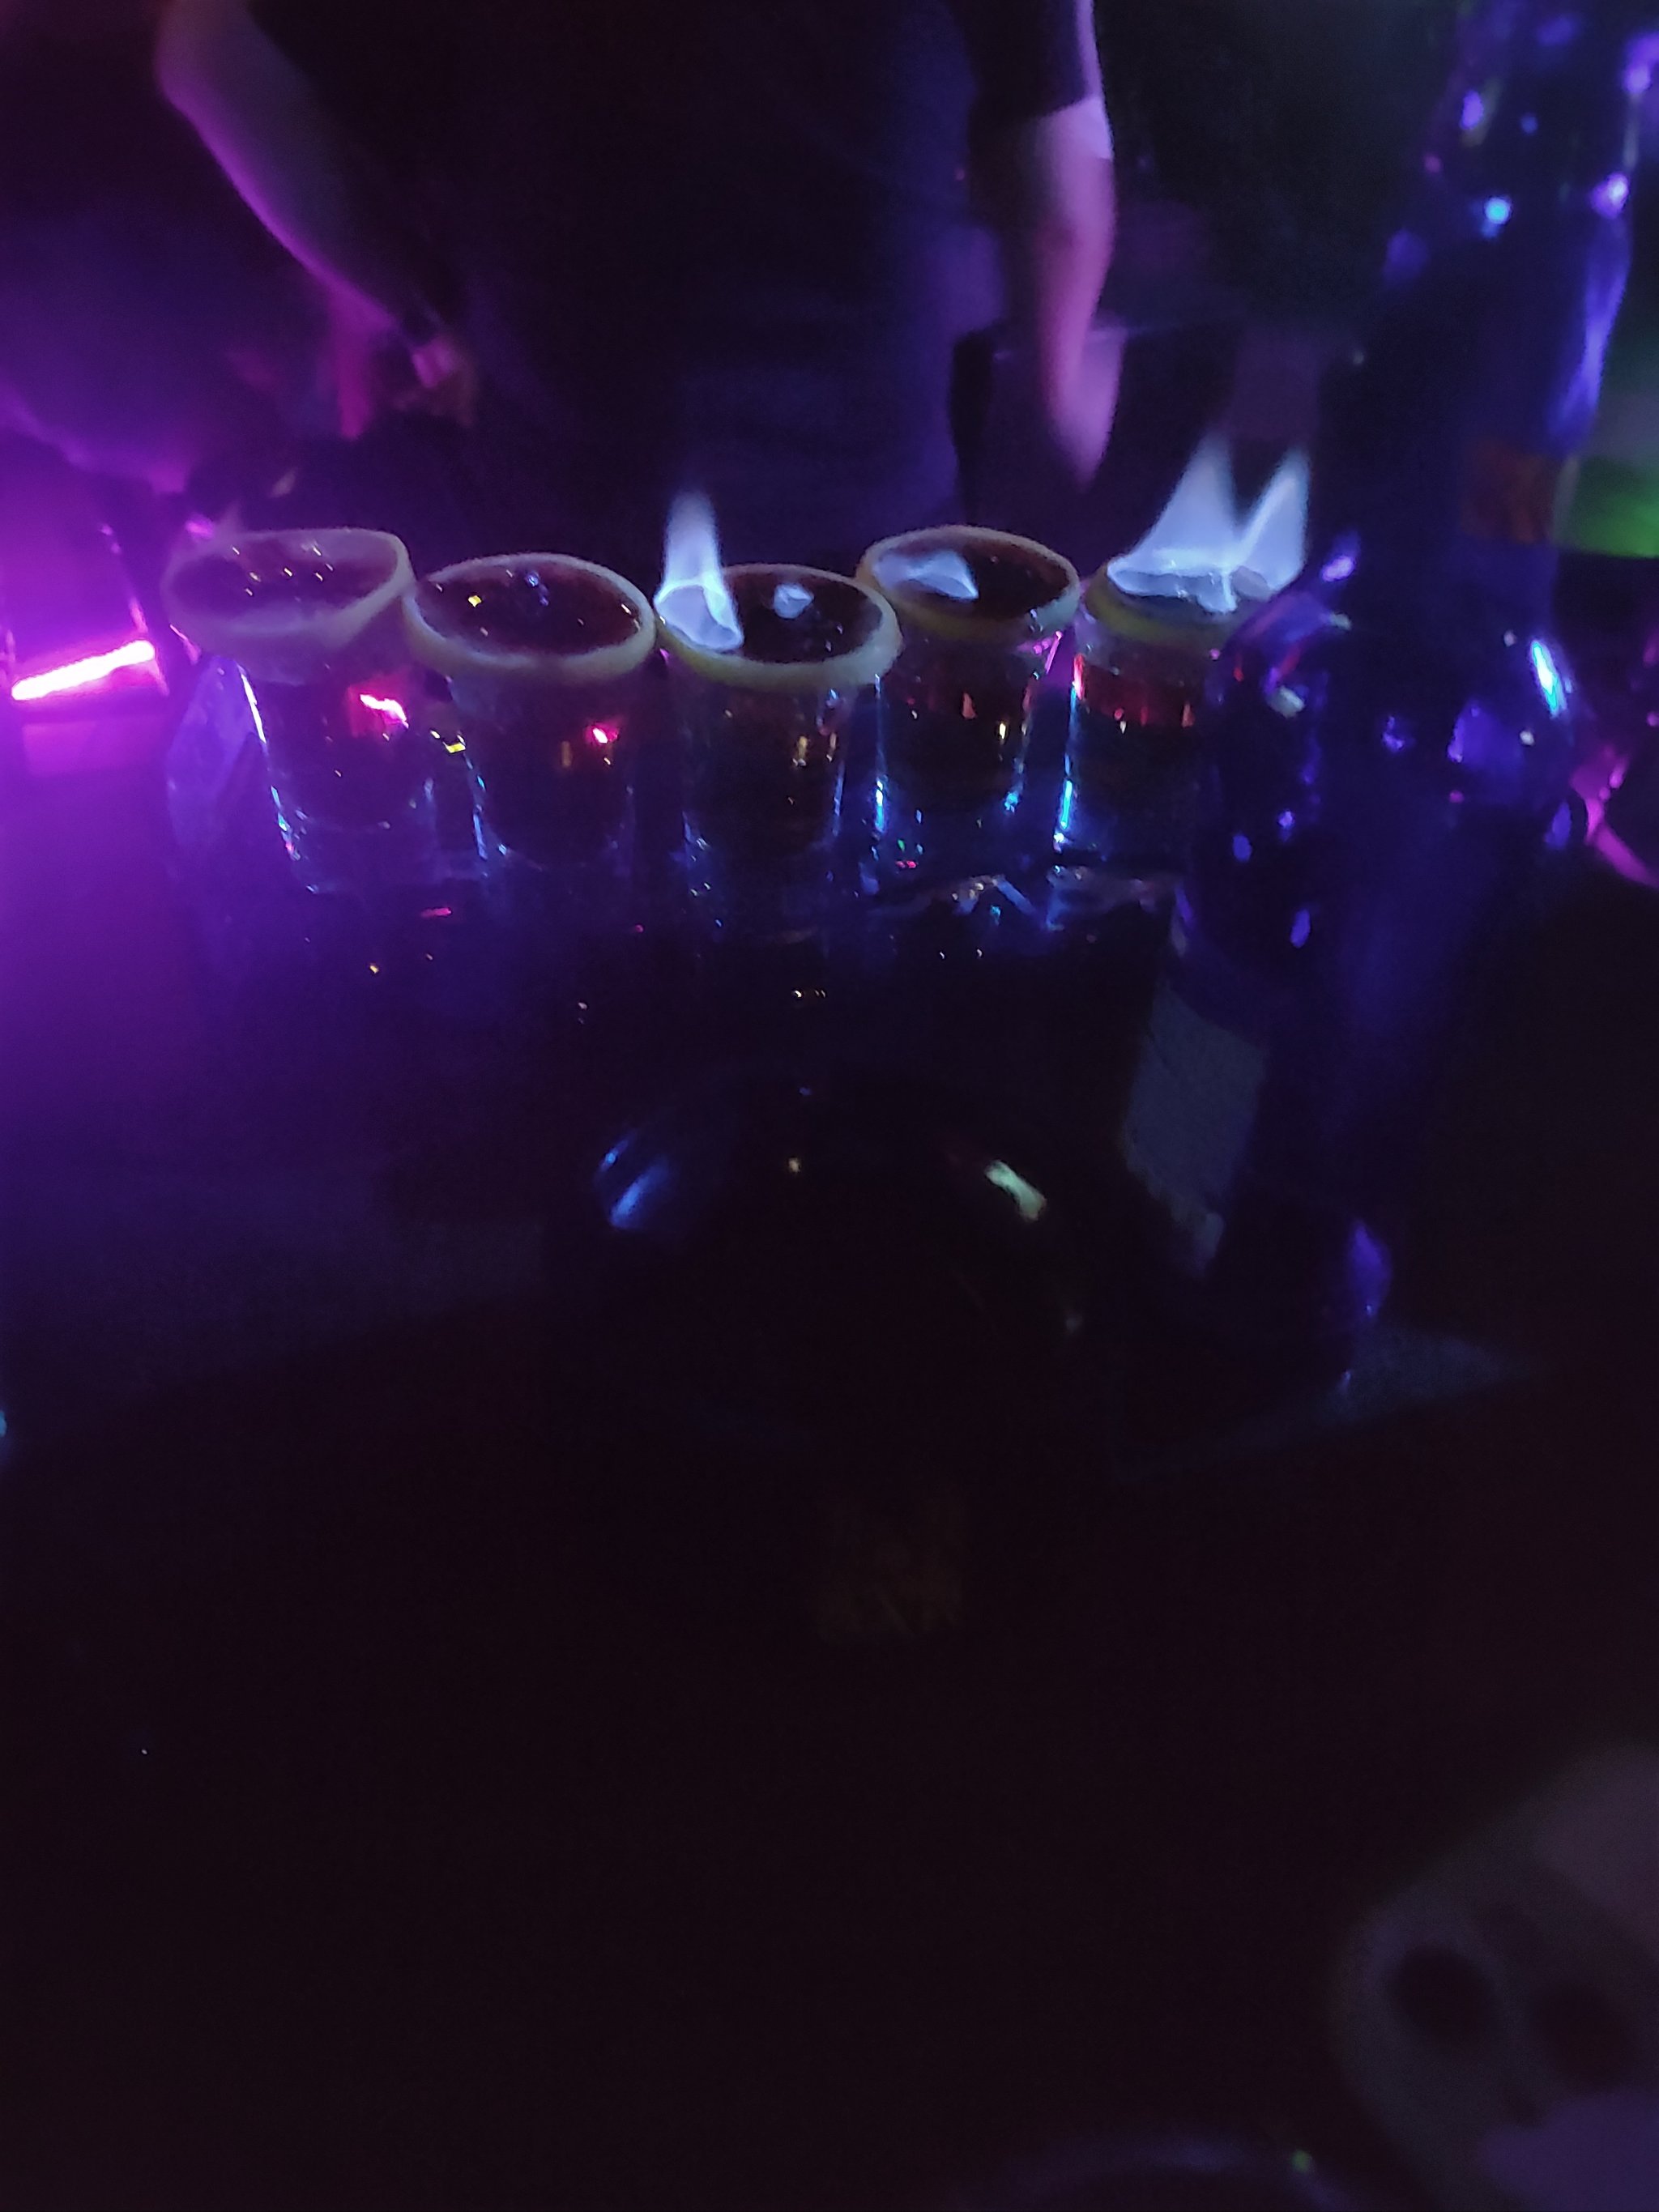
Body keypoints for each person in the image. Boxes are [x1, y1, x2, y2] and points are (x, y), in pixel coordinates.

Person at [156, 0, 1116, 582]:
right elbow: (1061, 209)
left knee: (216, 547)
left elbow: (209, 56)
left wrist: (420, 309)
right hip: (869, 534)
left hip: (556, 522)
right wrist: (1053, 401)